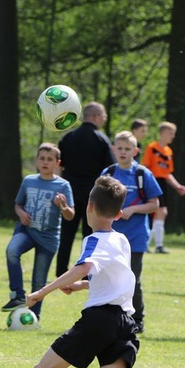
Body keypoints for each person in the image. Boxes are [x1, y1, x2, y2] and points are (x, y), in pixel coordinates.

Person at [0, 176, 185, 368]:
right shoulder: (122, 240)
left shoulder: (93, 240)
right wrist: (83, 286)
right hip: (124, 323)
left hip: (99, 321)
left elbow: (84, 266)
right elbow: (113, 276)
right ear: (119, 214)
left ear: (89, 207)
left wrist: (41, 293)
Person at [0, 143, 74, 319]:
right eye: (42, 158)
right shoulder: (29, 181)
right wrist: (21, 213)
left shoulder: (63, 186)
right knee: (12, 251)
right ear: (36, 161)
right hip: (26, 231)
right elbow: (18, 204)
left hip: (48, 237)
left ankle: (33, 318)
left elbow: (70, 216)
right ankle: (17, 295)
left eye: (50, 159)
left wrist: (63, 206)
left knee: (39, 281)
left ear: (57, 162)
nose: (45, 162)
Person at [103, 131, 161, 333]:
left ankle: (137, 319)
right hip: (111, 236)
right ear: (113, 149)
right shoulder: (108, 173)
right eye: (119, 148)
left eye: (127, 149)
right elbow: (98, 201)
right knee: (110, 277)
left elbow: (154, 204)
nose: (123, 152)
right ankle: (111, 316)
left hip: (135, 237)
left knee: (132, 278)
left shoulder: (142, 174)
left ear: (135, 151)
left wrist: (133, 209)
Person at [56, 101, 114, 276]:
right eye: (103, 116)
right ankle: (88, 271)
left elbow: (59, 166)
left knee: (67, 233)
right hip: (93, 195)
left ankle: (61, 270)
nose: (104, 119)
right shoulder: (101, 139)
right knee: (90, 235)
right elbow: (110, 170)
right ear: (96, 116)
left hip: (70, 193)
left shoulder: (68, 137)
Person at [142, 121, 185, 254]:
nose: (172, 136)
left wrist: (178, 186)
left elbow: (167, 174)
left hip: (162, 183)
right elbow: (145, 167)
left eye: (173, 134)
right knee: (159, 212)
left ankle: (156, 245)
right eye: (170, 133)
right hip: (152, 181)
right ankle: (149, 244)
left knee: (161, 213)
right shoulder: (152, 148)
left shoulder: (168, 151)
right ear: (161, 133)